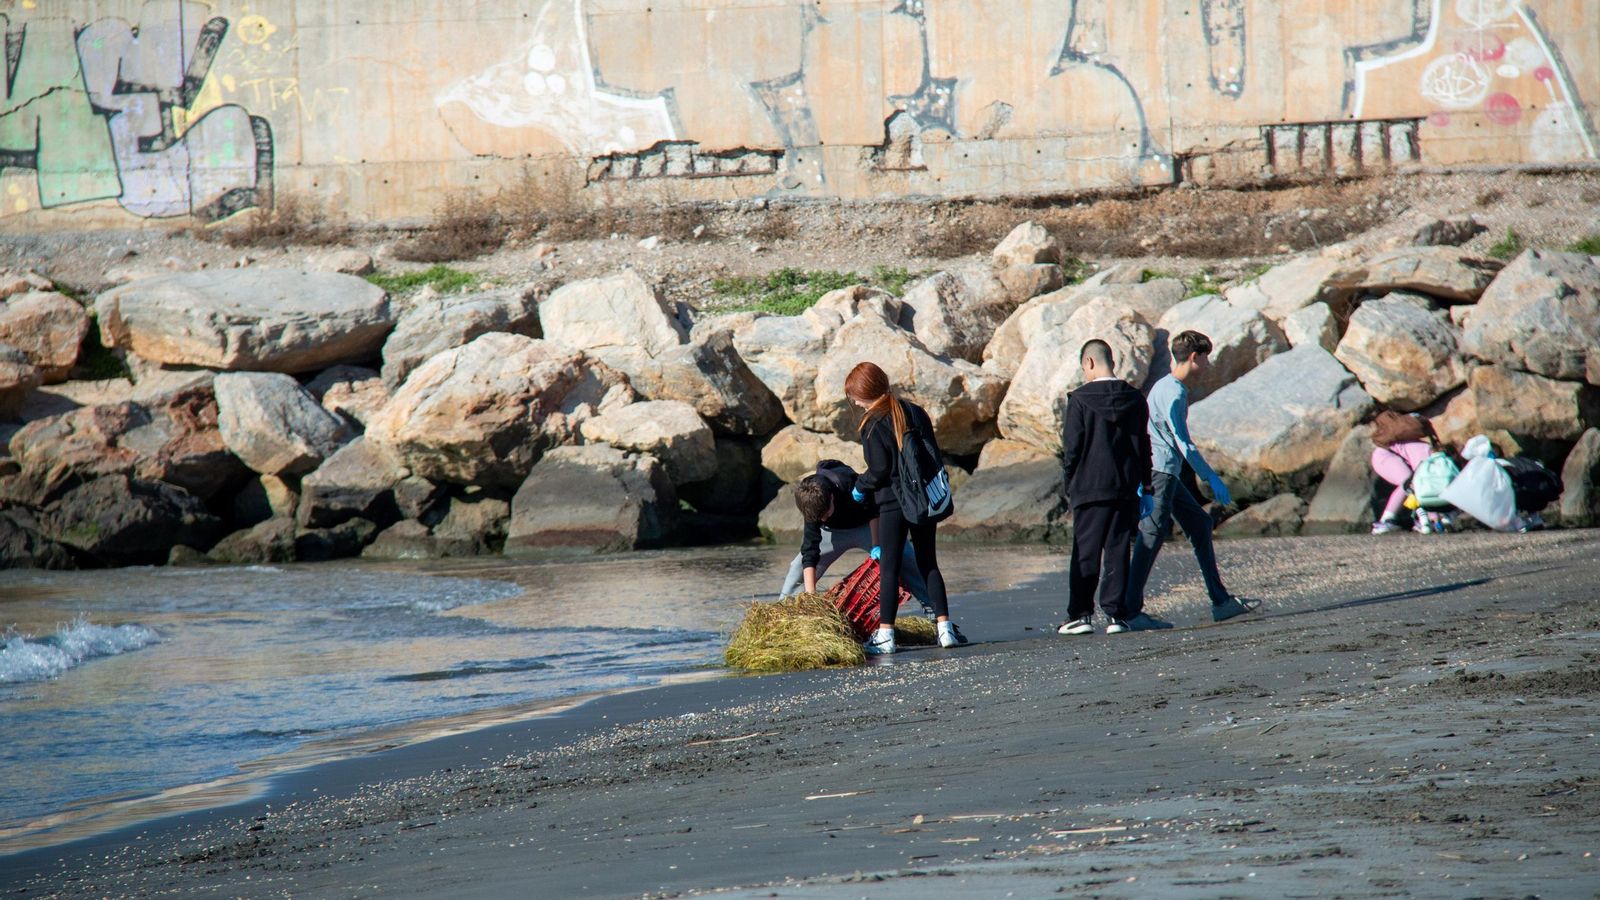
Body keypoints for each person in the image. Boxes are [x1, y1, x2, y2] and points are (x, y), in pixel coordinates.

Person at [1125, 330, 1258, 624]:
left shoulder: (1164, 385)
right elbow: (1183, 443)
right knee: (1151, 534)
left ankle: (1221, 601)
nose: (1209, 365)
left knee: (1200, 523)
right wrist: (1211, 477)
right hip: (1160, 473)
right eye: (1207, 358)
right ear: (1195, 357)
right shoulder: (1174, 392)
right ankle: (1128, 612)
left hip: (1165, 473)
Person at [845, 362, 965, 654]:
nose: (855, 402)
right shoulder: (914, 411)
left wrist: (860, 488)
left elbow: (880, 470)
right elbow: (931, 453)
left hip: (891, 504)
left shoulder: (872, 423)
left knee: (890, 567)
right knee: (929, 563)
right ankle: (945, 628)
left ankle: (885, 635)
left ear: (862, 393)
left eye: (854, 396)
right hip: (923, 500)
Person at [1057, 339, 1162, 635]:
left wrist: (1069, 485)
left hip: (1089, 487)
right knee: (1117, 550)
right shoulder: (1135, 397)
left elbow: (1072, 449)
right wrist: (1147, 486)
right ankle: (1116, 616)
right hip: (1126, 487)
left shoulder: (1079, 399)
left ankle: (1080, 615)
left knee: (1086, 551)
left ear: (1089, 363)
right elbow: (1143, 445)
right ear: (1111, 361)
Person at [777, 459, 938, 621]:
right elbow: (810, 550)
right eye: (820, 518)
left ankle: (934, 610)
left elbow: (874, 511)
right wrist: (811, 596)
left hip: (866, 526)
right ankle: (783, 617)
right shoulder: (811, 503)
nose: (823, 519)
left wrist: (877, 545)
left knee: (905, 557)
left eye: (826, 514)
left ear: (832, 497)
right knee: (797, 568)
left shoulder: (847, 482)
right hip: (833, 533)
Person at [1369, 409, 1447, 535]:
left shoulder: (1430, 452)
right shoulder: (1424, 452)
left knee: (1414, 483)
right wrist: (1434, 516)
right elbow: (1421, 484)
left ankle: (1426, 520)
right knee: (1408, 482)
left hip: (1392, 454)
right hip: (1383, 456)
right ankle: (1386, 521)